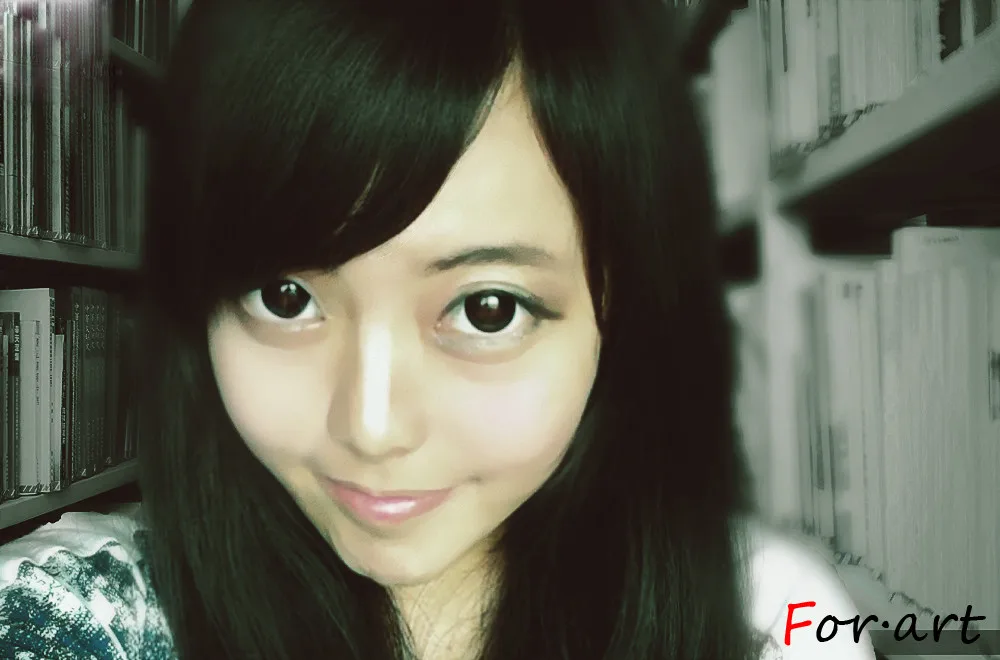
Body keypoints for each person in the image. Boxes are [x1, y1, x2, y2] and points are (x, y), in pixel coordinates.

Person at [0, 0, 876, 658]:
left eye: (488, 309)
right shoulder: (70, 621)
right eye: (285, 297)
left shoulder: (779, 623)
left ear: (620, 310)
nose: (372, 428)